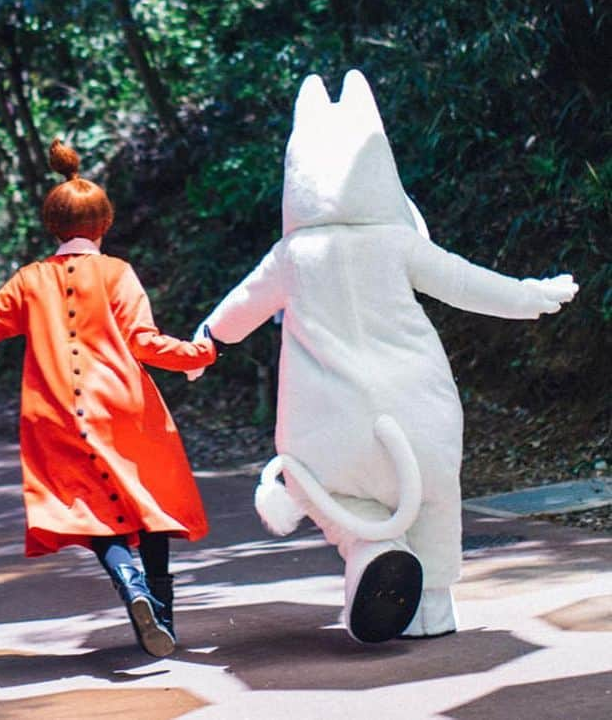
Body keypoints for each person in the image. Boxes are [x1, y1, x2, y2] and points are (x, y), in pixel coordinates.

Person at [188, 70, 578, 644]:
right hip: (416, 409)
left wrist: (206, 342)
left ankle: (371, 549)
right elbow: (468, 284)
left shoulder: (292, 254)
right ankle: (435, 608)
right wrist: (530, 296)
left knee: (328, 492)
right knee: (434, 496)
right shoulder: (398, 243)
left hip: (327, 425)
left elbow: (238, 310)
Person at [0, 138, 217, 656]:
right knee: (148, 508)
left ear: (52, 228)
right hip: (124, 410)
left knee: (89, 509)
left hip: (55, 415)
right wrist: (199, 354)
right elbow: (144, 343)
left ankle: (130, 585)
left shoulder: (30, 280)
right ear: (105, 224)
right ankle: (163, 620)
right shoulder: (118, 273)